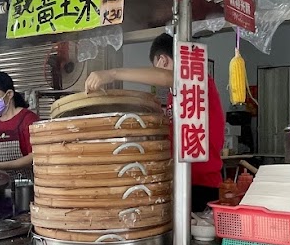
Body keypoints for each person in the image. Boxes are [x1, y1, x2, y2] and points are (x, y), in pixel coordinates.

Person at [84, 33, 225, 212]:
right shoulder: (175, 94)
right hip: (183, 182)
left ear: (162, 60)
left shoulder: (195, 80)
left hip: (201, 186)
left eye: (155, 67)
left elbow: (167, 77)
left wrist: (112, 74)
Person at [0, 71, 38, 172]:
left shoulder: (28, 119)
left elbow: (34, 156)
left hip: (26, 180)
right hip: (1, 180)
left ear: (9, 94)